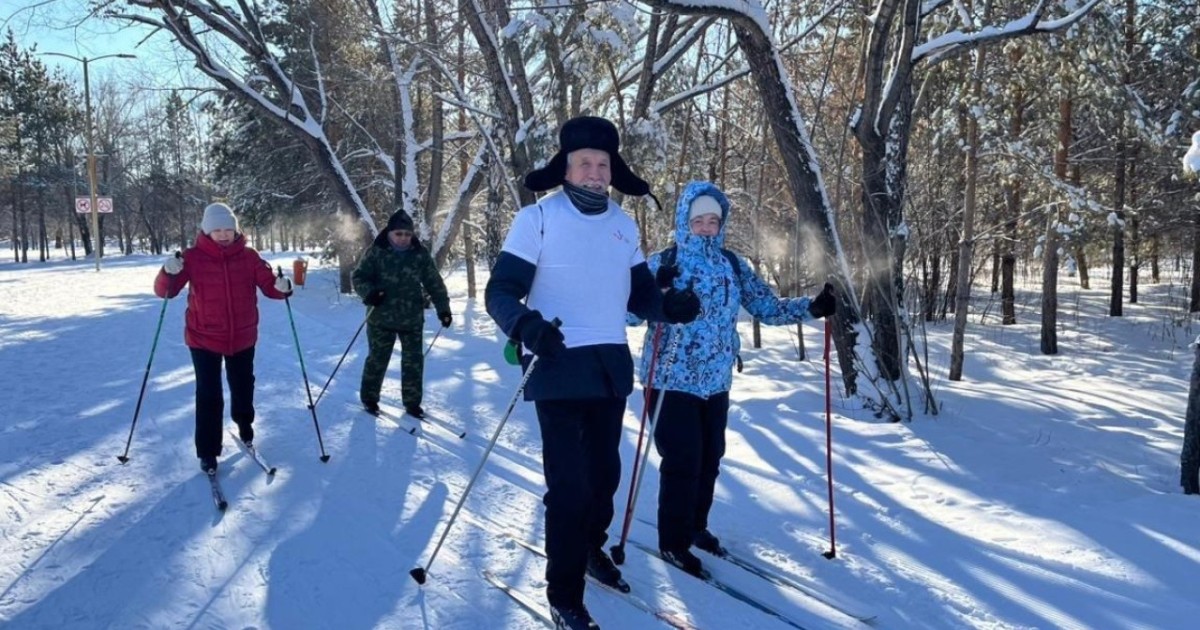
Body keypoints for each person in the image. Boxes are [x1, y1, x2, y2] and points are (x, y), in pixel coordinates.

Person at [485, 116, 700, 630]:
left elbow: (641, 294)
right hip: (557, 364)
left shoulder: (623, 225)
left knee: (605, 476)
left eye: (603, 164)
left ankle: (589, 546)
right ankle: (563, 595)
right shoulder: (537, 218)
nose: (595, 172)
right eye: (585, 163)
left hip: (608, 368)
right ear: (565, 167)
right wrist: (526, 325)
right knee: (570, 487)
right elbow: (500, 292)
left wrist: (671, 308)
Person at [636, 181, 836, 577]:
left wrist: (811, 308)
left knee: (710, 458)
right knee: (683, 461)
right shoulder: (663, 261)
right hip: (669, 378)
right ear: (684, 221)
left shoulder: (732, 264)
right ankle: (672, 542)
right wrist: (659, 291)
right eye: (699, 221)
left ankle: (695, 527)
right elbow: (627, 311)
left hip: (715, 380)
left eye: (714, 220)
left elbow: (766, 307)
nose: (707, 227)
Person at [154, 202, 294, 473]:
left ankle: (244, 426)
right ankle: (207, 451)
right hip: (203, 337)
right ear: (207, 231)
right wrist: (167, 272)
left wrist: (282, 287)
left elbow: (270, 286)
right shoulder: (191, 257)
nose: (223, 234)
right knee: (209, 393)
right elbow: (165, 292)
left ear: (235, 230)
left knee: (243, 385)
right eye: (217, 229)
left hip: (242, 335)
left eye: (228, 229)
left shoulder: (249, 256)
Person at [353, 209, 451, 419]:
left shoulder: (419, 254)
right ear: (390, 233)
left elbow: (434, 283)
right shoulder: (376, 251)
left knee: (414, 362)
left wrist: (444, 309)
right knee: (377, 359)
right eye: (399, 234)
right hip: (380, 317)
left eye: (407, 234)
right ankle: (369, 399)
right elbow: (359, 277)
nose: (404, 238)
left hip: (411, 318)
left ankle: (412, 403)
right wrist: (369, 293)